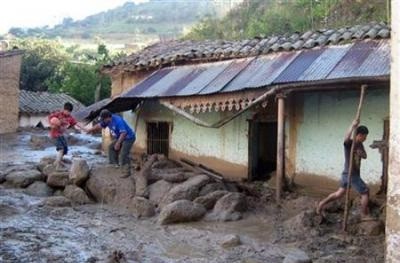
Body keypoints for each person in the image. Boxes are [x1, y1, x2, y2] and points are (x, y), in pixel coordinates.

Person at [317, 120, 371, 220]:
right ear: (359, 135)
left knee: (339, 193)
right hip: (351, 174)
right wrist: (352, 125)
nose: (365, 138)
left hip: (346, 174)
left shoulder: (360, 145)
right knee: (365, 192)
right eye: (365, 136)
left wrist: (360, 153)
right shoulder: (350, 143)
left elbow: (365, 156)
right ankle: (364, 214)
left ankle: (321, 203)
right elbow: (346, 138)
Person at [87, 109, 135, 177]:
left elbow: (124, 133)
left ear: (108, 117)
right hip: (120, 137)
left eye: (104, 119)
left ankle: (126, 172)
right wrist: (90, 130)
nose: (103, 121)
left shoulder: (118, 121)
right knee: (111, 147)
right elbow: (99, 125)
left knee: (123, 154)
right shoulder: (106, 121)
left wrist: (118, 143)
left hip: (129, 138)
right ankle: (114, 164)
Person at [48, 102, 87, 169]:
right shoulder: (58, 114)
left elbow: (76, 123)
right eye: (67, 111)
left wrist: (84, 128)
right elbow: (49, 118)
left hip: (61, 135)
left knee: (65, 150)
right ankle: (57, 165)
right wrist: (52, 125)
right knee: (61, 149)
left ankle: (58, 160)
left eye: (69, 112)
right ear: (64, 109)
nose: (68, 113)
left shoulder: (70, 118)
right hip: (55, 134)